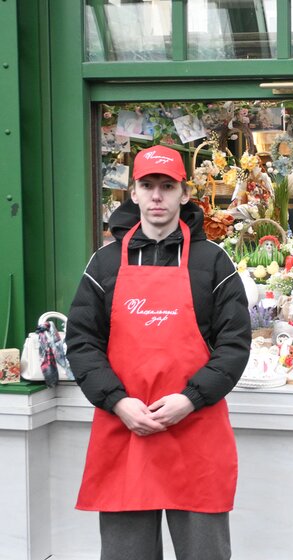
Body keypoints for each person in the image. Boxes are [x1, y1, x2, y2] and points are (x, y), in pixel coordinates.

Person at [66, 145, 251, 560]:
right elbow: (81, 341)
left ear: (184, 194)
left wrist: (190, 399)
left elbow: (234, 344)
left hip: (195, 430)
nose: (156, 196)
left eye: (167, 186)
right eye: (147, 185)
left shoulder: (213, 262)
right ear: (132, 192)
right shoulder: (105, 264)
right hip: (125, 431)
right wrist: (118, 401)